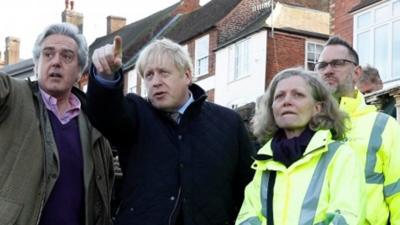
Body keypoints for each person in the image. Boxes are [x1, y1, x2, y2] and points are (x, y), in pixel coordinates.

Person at [86, 36, 254, 225]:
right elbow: (105, 114)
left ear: (187, 76)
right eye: (149, 75)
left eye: (164, 73)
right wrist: (106, 77)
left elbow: (249, 190)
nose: (155, 82)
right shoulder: (136, 114)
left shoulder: (228, 122)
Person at [0, 23, 114, 225]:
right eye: (48, 54)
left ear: (80, 72)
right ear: (36, 65)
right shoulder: (13, 96)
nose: (56, 62)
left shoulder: (94, 122)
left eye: (67, 56)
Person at [235, 68, 365, 225]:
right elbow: (246, 218)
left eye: (298, 95)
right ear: (272, 109)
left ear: (318, 108)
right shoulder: (263, 162)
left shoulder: (340, 155)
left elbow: (347, 218)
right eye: (279, 96)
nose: (287, 101)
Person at [316, 36, 400, 225]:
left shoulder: (383, 126)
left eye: (337, 63)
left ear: (356, 73)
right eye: (322, 65)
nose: (328, 70)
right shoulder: (306, 126)